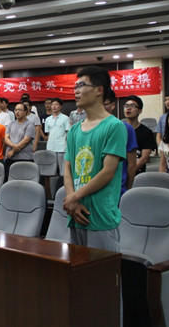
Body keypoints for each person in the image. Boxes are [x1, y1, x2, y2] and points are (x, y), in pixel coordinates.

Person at [63, 66, 127, 254]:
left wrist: (74, 197)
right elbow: (67, 167)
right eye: (75, 86)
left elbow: (108, 172)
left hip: (100, 216)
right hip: (75, 213)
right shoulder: (74, 130)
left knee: (102, 270)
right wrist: (72, 200)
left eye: (81, 85)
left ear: (99, 90)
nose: (76, 91)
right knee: (77, 268)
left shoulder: (114, 126)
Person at [104, 90, 137, 194]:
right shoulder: (84, 129)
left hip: (117, 188)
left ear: (113, 105)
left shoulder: (125, 128)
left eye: (104, 104)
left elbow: (132, 164)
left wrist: (127, 189)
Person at [123, 95, 157, 175]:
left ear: (140, 111)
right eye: (126, 106)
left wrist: (129, 172)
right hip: (120, 173)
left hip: (138, 173)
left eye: (132, 106)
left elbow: (144, 158)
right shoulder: (119, 129)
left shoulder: (146, 132)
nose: (128, 108)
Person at [4, 102, 36, 179]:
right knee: (9, 180)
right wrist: (13, 146)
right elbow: (6, 138)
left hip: (24, 158)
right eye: (15, 110)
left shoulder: (29, 124)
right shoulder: (11, 123)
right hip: (10, 158)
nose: (17, 112)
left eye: (20, 110)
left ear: (25, 112)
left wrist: (13, 151)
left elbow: (26, 140)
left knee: (23, 180)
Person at [44, 98, 71, 176]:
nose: (54, 106)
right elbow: (48, 133)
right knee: (51, 170)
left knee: (63, 171)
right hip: (50, 147)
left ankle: (63, 183)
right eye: (52, 104)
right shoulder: (48, 119)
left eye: (56, 104)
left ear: (60, 106)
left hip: (62, 147)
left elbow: (68, 133)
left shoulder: (65, 118)